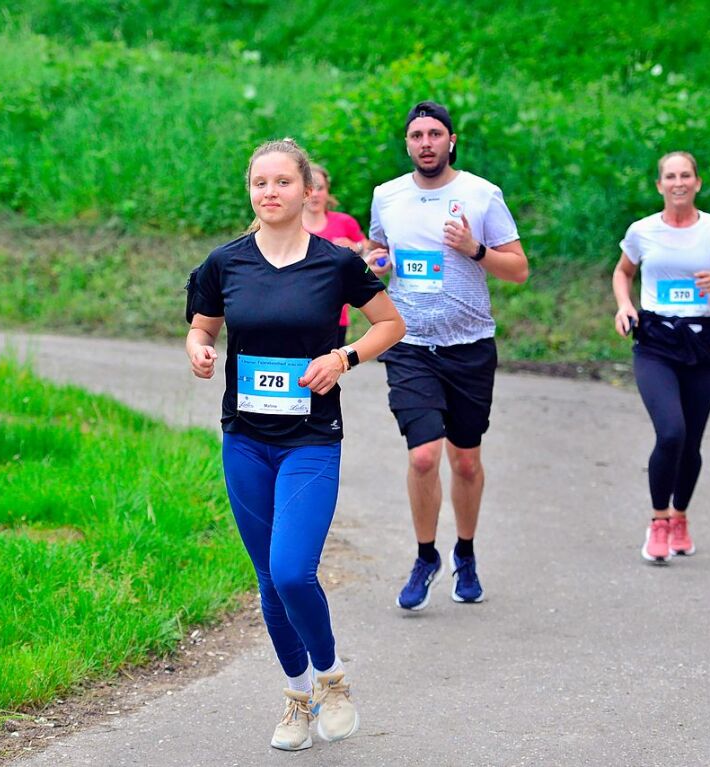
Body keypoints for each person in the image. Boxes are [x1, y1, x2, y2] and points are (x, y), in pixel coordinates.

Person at [186, 138, 404, 751]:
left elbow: (391, 324)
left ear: (308, 190)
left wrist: (344, 356)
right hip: (246, 440)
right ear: (250, 190)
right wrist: (200, 349)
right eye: (260, 183)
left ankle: (332, 680)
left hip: (311, 438)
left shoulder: (335, 264)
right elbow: (202, 325)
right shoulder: (223, 264)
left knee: (291, 570)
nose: (270, 193)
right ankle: (296, 696)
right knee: (267, 578)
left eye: (283, 182)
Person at [363, 101, 528, 611]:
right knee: (423, 455)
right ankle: (425, 555)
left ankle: (467, 552)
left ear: (451, 141)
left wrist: (475, 250)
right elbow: (377, 250)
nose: (426, 143)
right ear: (407, 144)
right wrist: (376, 259)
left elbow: (518, 269)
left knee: (467, 462)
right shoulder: (387, 196)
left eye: (435, 134)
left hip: (470, 347)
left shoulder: (481, 194)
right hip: (410, 345)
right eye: (417, 135)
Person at [612, 151, 710, 564]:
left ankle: (680, 516)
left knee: (691, 443)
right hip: (655, 342)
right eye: (670, 176)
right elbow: (623, 272)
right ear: (659, 185)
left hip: (702, 344)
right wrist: (624, 305)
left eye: (685, 175)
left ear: (697, 182)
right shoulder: (642, 231)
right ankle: (658, 522)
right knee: (670, 432)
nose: (678, 183)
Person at [302, 163, 367, 347]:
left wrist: (356, 246)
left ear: (327, 190)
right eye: (310, 188)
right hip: (295, 314)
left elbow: (369, 249)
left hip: (335, 318)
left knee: (326, 374)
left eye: (320, 188)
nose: (315, 194)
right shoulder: (290, 227)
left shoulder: (344, 222)